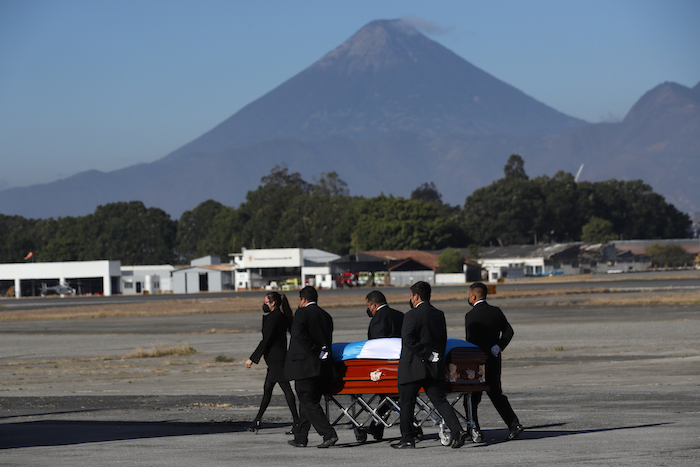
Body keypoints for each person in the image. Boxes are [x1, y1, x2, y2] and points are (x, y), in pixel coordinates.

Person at [392, 281, 469, 449]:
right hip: (433, 366)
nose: (410, 299)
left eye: (411, 296)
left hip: (412, 367)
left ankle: (407, 438)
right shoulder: (438, 314)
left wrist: (426, 354)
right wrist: (436, 358)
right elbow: (442, 340)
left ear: (416, 296)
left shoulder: (411, 315)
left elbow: (408, 340)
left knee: (407, 403)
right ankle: (458, 431)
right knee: (440, 401)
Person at [464, 282, 524, 442]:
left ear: (474, 296)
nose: (468, 297)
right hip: (494, 359)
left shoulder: (471, 316)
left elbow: (470, 341)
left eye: (469, 294)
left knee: (471, 398)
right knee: (496, 394)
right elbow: (509, 331)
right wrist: (499, 345)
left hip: (477, 362)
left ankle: (474, 429)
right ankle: (514, 425)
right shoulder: (496, 312)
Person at [284, 286, 338, 448]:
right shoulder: (326, 315)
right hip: (323, 366)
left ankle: (328, 434)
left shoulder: (302, 313)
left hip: (305, 365)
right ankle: (301, 437)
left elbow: (299, 335)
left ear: (302, 300)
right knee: (307, 400)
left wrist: (315, 351)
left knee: (307, 399)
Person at [245, 292, 300, 433]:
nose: (264, 304)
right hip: (277, 358)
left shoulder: (273, 318)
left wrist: (252, 358)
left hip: (276, 359)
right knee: (268, 389)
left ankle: (297, 421)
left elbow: (266, 340)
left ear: (273, 303)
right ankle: (257, 420)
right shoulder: (281, 316)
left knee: (286, 389)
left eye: (266, 302)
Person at [358, 290, 405, 441]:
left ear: (374, 305)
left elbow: (377, 346)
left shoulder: (378, 319)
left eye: (368, 306)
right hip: (403, 365)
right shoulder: (400, 315)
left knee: (390, 396)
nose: (368, 310)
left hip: (387, 367)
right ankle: (376, 427)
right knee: (394, 398)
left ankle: (377, 426)